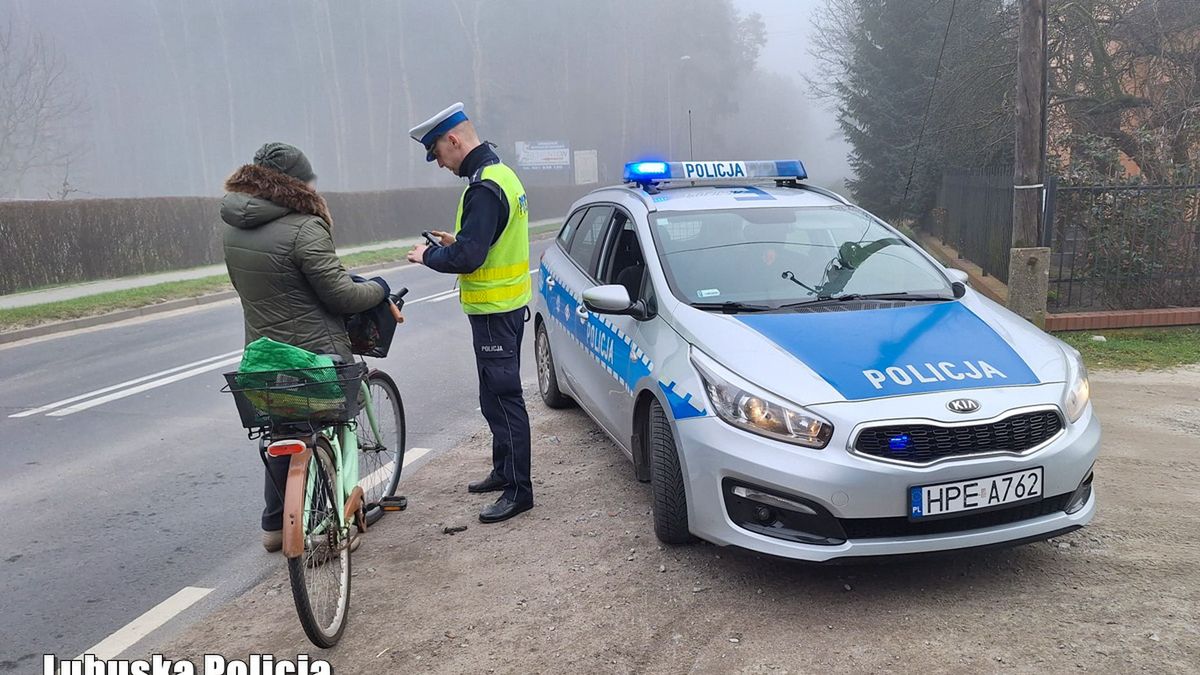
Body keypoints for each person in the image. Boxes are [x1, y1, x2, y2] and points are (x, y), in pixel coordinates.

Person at [221, 142, 390, 551]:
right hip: (316, 357)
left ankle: (274, 527)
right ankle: (328, 525)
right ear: (296, 183)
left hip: (263, 358)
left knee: (283, 428)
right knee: (325, 426)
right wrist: (378, 289)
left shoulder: (232, 227)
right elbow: (340, 298)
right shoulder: (305, 226)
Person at [405, 102, 534, 524]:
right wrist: (454, 239)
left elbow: (470, 257)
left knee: (504, 398)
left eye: (438, 154)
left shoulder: (482, 187)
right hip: (505, 309)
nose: (440, 164)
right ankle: (503, 471)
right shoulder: (502, 175)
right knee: (492, 397)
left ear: (453, 140)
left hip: (497, 312)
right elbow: (487, 241)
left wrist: (430, 255)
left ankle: (519, 491)